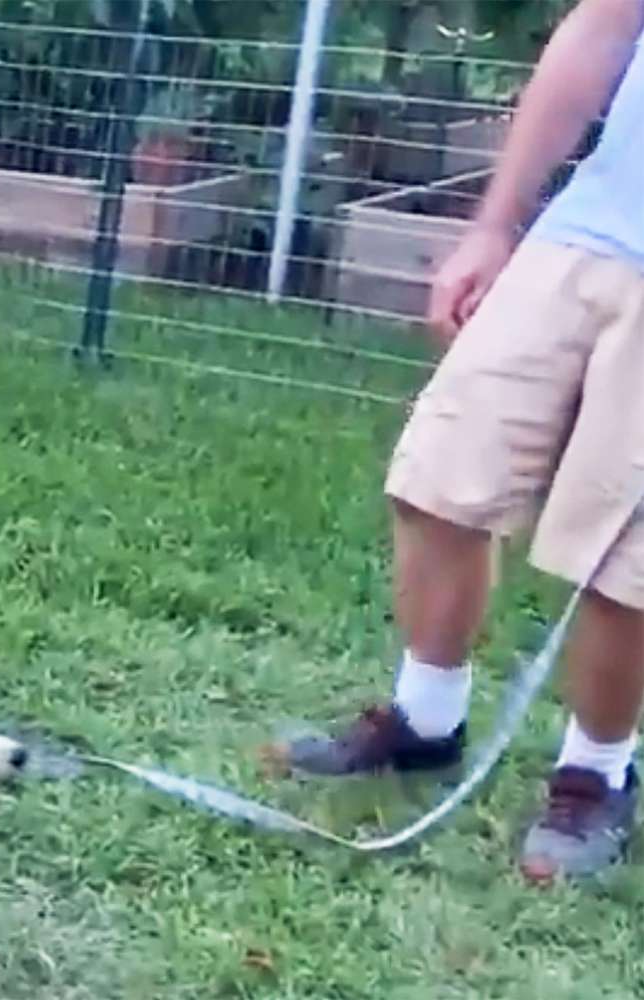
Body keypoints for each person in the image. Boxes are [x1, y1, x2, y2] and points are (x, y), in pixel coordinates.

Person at [286, 0, 644, 882]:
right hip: (583, 235)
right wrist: (495, 222)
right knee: (440, 478)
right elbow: (597, 34)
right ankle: (426, 722)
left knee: (623, 559)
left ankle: (595, 774)